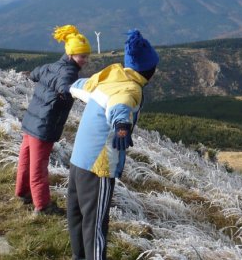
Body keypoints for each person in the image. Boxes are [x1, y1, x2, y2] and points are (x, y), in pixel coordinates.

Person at [67, 29, 159, 260]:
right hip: (98, 165)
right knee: (96, 224)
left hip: (78, 159)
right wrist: (121, 125)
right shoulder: (131, 88)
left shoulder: (108, 77)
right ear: (149, 70)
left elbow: (78, 86)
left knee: (77, 217)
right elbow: (121, 105)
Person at [15, 25, 91, 216]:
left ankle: (22, 192)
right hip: (44, 126)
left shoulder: (50, 66)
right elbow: (65, 87)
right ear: (71, 54)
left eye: (86, 56)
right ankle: (42, 206)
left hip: (31, 122)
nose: (85, 60)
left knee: (25, 159)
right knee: (38, 167)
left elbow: (34, 74)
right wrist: (77, 94)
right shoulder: (69, 73)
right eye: (82, 56)